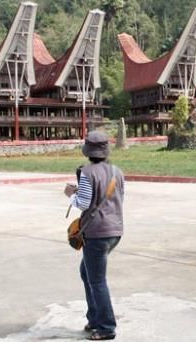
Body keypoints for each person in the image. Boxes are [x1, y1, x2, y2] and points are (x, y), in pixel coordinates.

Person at [64, 130, 125, 340]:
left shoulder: (87, 173)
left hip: (97, 233)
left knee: (97, 280)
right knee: (86, 272)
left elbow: (83, 203)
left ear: (88, 151)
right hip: (115, 230)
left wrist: (71, 194)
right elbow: (118, 198)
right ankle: (94, 317)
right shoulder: (117, 171)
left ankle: (106, 327)